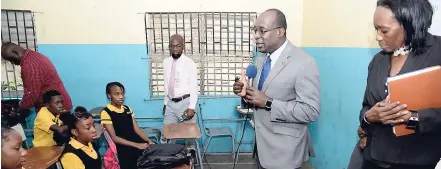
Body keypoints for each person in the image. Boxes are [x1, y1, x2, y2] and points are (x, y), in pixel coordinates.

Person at [233, 9, 320, 169]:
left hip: (285, 153)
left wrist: (268, 103)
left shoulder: (304, 63)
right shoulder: (261, 60)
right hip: (261, 148)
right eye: (255, 31)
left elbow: (310, 111)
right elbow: (258, 100)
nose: (256, 36)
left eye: (262, 31)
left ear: (280, 31)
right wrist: (246, 95)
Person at [359, 0, 441, 168]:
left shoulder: (437, 52)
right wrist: (369, 117)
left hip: (417, 161)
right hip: (373, 159)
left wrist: (413, 118)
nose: (378, 37)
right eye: (376, 29)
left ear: (409, 25)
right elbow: (366, 106)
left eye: (384, 31)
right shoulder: (378, 60)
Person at [1, 42, 72, 113]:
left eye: (12, 60)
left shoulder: (29, 65)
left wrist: (20, 109)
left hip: (55, 109)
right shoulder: (34, 55)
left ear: (15, 52)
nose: (12, 63)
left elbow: (31, 95)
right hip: (58, 104)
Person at [100, 82, 155, 169]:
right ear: (109, 95)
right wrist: (137, 145)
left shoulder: (127, 109)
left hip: (135, 140)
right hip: (123, 145)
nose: (121, 96)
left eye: (122, 93)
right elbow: (114, 137)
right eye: (117, 94)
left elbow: (136, 128)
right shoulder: (106, 112)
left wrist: (148, 140)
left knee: (153, 156)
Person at [162, 34, 198, 126]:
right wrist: (166, 103)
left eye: (178, 46)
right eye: (172, 46)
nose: (175, 49)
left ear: (183, 47)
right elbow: (167, 84)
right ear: (169, 47)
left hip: (185, 104)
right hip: (170, 104)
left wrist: (192, 107)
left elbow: (193, 87)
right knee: (167, 137)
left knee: (190, 137)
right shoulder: (166, 62)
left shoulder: (190, 63)